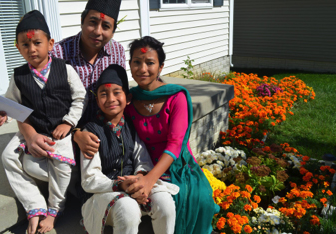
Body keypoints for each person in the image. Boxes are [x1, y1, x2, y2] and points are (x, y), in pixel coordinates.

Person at [0, 10, 86, 234]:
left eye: (37, 42)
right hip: (33, 128)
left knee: (62, 164)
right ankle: (34, 205)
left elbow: (80, 97)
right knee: (8, 156)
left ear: (50, 43)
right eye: (25, 45)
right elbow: (11, 103)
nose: (32, 49)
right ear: (17, 47)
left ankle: (55, 209)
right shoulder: (19, 76)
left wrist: (69, 122)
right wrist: (3, 113)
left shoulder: (65, 70)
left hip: (59, 131)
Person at [123, 36, 221, 234]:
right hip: (142, 163)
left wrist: (150, 180)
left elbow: (175, 143)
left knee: (197, 197)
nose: (142, 69)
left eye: (150, 63)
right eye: (137, 62)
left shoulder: (176, 97)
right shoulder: (129, 99)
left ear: (160, 67)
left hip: (177, 164)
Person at [17, 0, 125, 159]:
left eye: (106, 26)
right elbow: (32, 102)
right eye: (92, 22)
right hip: (62, 130)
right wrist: (75, 133)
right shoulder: (57, 54)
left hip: (104, 127)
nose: (97, 31)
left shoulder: (117, 52)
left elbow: (118, 95)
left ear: (113, 31)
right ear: (82, 21)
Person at [80, 64, 178, 234]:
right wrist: (120, 185)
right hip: (103, 194)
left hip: (133, 186)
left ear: (128, 98)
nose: (110, 99)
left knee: (165, 202)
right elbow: (90, 180)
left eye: (117, 92)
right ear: (97, 101)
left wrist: (140, 179)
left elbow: (143, 159)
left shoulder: (132, 125)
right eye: (103, 94)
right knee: (128, 208)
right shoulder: (90, 132)